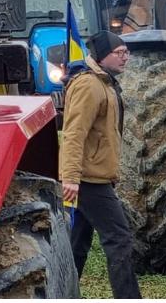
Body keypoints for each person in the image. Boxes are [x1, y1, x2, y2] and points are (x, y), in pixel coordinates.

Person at [60, 32, 141, 298]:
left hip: (92, 176)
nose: (125, 58)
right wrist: (70, 178)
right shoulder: (89, 85)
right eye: (119, 52)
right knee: (119, 238)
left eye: (127, 52)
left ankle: (62, 294)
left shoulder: (103, 82)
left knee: (77, 244)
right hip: (88, 180)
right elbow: (74, 133)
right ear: (103, 55)